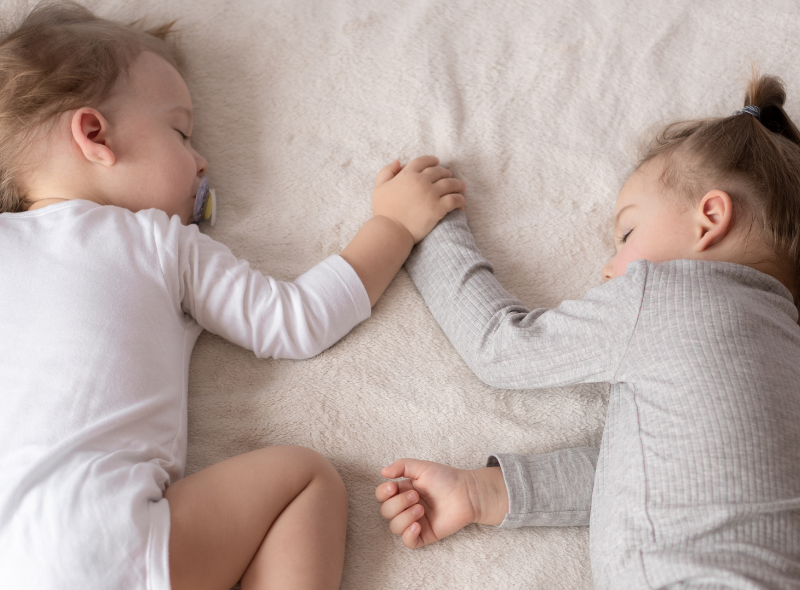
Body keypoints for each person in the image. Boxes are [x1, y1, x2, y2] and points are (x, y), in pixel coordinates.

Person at [0, 3, 466, 590]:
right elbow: (295, 320)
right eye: (180, 132)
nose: (203, 163)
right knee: (306, 478)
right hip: (107, 538)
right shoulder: (158, 243)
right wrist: (394, 227)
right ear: (94, 134)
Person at [376, 73, 800, 588]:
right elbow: (657, 468)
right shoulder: (786, 354)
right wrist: (484, 491)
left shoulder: (662, 294)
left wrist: (426, 227)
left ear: (708, 219)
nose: (608, 267)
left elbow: (501, 348)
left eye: (626, 232)